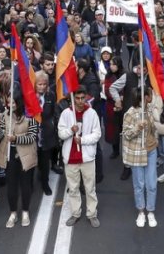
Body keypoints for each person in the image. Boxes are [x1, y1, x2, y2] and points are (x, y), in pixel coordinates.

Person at [58, 86, 101, 228]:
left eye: (83, 98)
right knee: (73, 188)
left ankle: (92, 214)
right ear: (73, 98)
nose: (81, 101)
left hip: (87, 157)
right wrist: (71, 130)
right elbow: (61, 133)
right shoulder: (66, 113)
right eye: (77, 98)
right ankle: (76, 213)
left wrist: (82, 140)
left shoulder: (92, 113)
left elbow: (97, 134)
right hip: (70, 158)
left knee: (90, 188)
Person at [0, 94, 38, 229]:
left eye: (13, 102)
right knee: (11, 186)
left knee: (26, 186)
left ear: (19, 102)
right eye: (8, 102)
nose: (10, 105)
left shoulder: (30, 116)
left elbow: (32, 137)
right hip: (9, 154)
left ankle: (25, 211)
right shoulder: (4, 115)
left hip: (26, 154)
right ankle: (13, 213)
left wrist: (15, 139)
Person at [122, 86, 159, 228]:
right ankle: (141, 211)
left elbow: (154, 129)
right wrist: (138, 127)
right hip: (137, 154)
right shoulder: (130, 114)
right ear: (143, 97)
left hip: (151, 151)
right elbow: (126, 134)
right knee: (139, 184)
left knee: (152, 184)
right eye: (148, 95)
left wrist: (155, 142)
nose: (150, 97)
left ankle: (151, 211)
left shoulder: (149, 110)